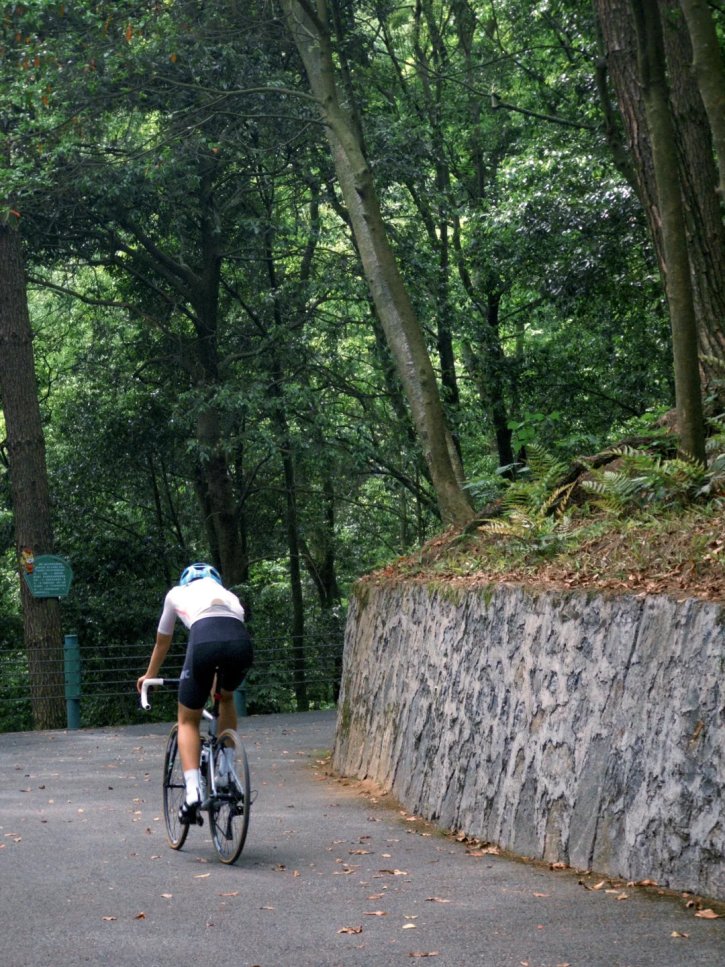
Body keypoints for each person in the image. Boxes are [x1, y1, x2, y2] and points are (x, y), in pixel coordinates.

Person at [136, 562, 253, 825]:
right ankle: (225, 769)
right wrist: (215, 681)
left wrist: (149, 675)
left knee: (188, 719)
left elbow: (162, 641)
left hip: (204, 639)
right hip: (240, 643)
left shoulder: (177, 593)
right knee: (226, 696)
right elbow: (226, 638)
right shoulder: (231, 597)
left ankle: (192, 792)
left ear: (186, 580)